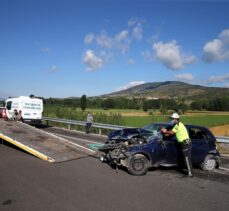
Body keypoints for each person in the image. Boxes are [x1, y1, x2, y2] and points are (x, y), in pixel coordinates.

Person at [161, 113, 194, 177]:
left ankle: (191, 173)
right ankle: (190, 172)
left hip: (186, 144)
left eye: (172, 119)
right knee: (185, 158)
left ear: (176, 119)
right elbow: (172, 131)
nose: (171, 120)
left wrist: (165, 131)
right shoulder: (178, 125)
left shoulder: (178, 125)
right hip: (185, 143)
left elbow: (171, 132)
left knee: (187, 159)